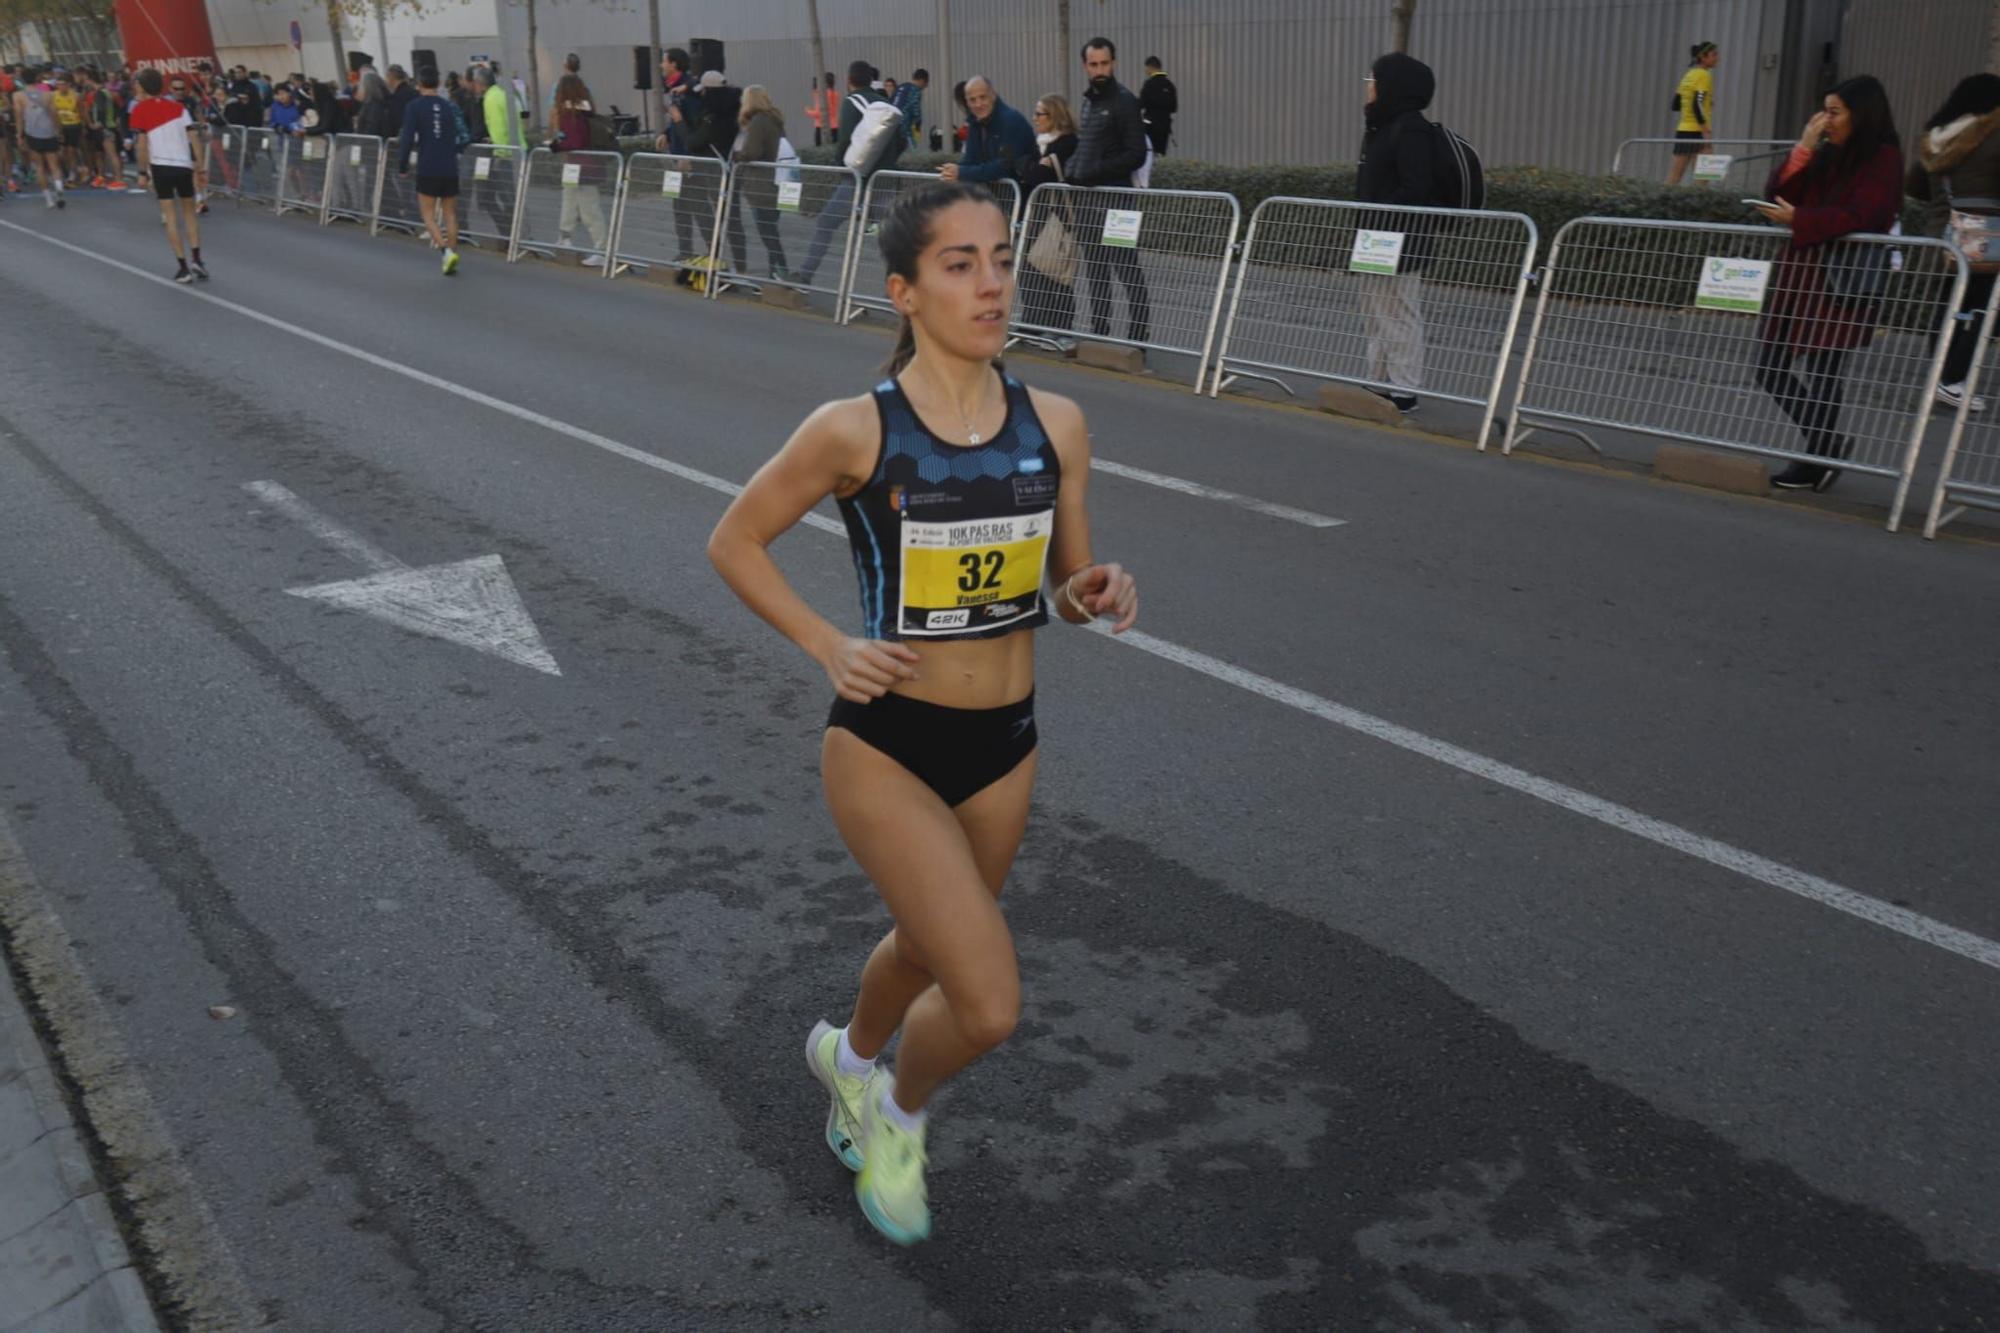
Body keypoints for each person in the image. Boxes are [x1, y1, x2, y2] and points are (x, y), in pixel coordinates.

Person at [707, 181, 1137, 1247]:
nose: (992, 282)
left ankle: (845, 1054)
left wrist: (1096, 594)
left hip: (1004, 746)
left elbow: (1066, 588)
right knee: (984, 1000)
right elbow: (733, 540)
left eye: (999, 258)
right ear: (902, 292)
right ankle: (894, 1111)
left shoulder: (1059, 424)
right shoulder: (853, 429)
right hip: (886, 745)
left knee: (923, 942)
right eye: (959, 264)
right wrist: (828, 644)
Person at [1750, 75, 1904, 492]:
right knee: (1768, 366)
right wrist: (1802, 148)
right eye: (1824, 111)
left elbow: (1864, 217)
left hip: (1841, 277)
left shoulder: (1882, 158)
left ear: (1862, 113)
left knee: (1824, 369)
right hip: (1801, 271)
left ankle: (1816, 456)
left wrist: (1800, 220)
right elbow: (1780, 192)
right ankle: (1827, 446)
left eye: (1834, 112)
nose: (1825, 120)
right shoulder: (1827, 152)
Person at [1907, 73, 2000, 413]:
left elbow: (1914, 185)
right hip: (1984, 237)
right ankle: (1953, 381)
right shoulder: (1993, 134)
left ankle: (1940, 377)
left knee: (1948, 307)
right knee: (1983, 308)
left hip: (1943, 235)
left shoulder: (1937, 138)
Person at [1357, 51, 1440, 415]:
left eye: (1372, 81)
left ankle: (1404, 389)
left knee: (1400, 312)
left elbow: (1416, 188)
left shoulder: (1411, 129)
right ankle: (1378, 381)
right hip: (1376, 238)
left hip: (1399, 238)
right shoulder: (1382, 126)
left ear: (1392, 86)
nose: (1369, 88)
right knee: (1375, 312)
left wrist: (1381, 212)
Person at [1068, 38, 1151, 347]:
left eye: (1104, 63)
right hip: (1089, 201)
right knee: (1095, 267)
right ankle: (1098, 333)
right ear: (1085, 66)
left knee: (1126, 266)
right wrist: (1075, 170)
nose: (1099, 69)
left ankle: (1139, 338)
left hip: (1119, 203)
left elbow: (1136, 154)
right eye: (1093, 64)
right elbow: (1085, 146)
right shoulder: (1089, 102)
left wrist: (1096, 170)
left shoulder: (1126, 101)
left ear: (1113, 63)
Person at [795, 60, 905, 287]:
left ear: (849, 80)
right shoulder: (884, 104)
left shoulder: (852, 102)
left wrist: (842, 166)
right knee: (890, 238)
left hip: (858, 181)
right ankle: (895, 290)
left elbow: (844, 140)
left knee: (825, 223)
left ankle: (805, 275)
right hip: (886, 179)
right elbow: (902, 141)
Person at [131, 68, 207, 282]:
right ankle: (197, 259)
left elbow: (142, 145)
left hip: (161, 167)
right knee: (190, 213)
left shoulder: (140, 110)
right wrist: (200, 168)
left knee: (170, 217)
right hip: (184, 166)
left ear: (144, 87)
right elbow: (194, 140)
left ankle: (183, 268)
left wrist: (142, 172)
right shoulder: (180, 108)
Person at [1016, 94, 1080, 345]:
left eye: (1039, 113)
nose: (1034, 118)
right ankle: (1035, 322)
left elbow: (1037, 175)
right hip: (1040, 213)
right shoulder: (1042, 144)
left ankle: (1061, 328)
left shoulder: (1066, 144)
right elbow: (1032, 171)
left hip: (1058, 216)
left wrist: (1030, 166)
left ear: (1054, 115)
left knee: (1057, 271)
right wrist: (1031, 166)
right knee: (1033, 268)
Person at [398, 67, 466, 275]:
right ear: (437, 83)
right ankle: (452, 254)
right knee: (450, 214)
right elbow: (459, 134)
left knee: (428, 215)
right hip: (449, 165)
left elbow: (407, 138)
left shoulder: (414, 107)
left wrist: (402, 165)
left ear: (419, 84)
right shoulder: (448, 106)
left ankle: (445, 252)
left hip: (428, 165)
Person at [729, 83, 791, 280]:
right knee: (770, 227)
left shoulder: (758, 122)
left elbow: (752, 152)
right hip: (776, 181)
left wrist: (737, 155)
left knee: (767, 231)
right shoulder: (775, 120)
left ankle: (780, 269)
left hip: (761, 183)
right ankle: (775, 271)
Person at [549, 71, 609, 266]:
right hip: (588, 165)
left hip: (578, 166)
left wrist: (556, 145)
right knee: (574, 201)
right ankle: (566, 237)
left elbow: (573, 142)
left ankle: (602, 249)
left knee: (586, 207)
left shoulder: (569, 113)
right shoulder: (585, 110)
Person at [939, 77, 1033, 185]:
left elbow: (1006, 165)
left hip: (1023, 195)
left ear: (993, 95)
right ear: (967, 102)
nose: (978, 104)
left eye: (983, 97)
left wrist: (962, 172)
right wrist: (953, 171)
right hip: (996, 195)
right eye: (972, 100)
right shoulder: (975, 123)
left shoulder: (1011, 121)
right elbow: (971, 160)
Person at [474, 65, 524, 243]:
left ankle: (512, 236)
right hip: (515, 149)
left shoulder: (490, 99)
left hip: (505, 154)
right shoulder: (501, 94)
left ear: (481, 84)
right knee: (507, 197)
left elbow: (498, 128)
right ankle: (512, 234)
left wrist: (500, 152)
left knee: (506, 197)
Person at [1666, 41, 1719, 185]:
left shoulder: (1688, 75)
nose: (1717, 58)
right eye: (1714, 55)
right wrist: (1706, 131)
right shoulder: (1704, 75)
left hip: (1683, 131)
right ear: (1703, 57)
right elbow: (1697, 104)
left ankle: (1663, 204)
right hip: (1698, 133)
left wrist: (1705, 103)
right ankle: (1696, 206)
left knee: (1675, 177)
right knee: (1706, 175)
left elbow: (1676, 104)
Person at [14, 69, 66, 208]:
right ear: (37, 78)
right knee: (54, 165)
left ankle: (48, 199)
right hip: (48, 132)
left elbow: (19, 117)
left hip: (32, 133)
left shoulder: (18, 96)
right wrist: (59, 130)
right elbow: (54, 113)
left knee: (39, 167)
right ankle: (59, 191)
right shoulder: (48, 94)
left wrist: (19, 135)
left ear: (23, 79)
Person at [1138, 56, 1176, 157]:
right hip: (1164, 127)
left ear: (1151, 67)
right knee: (1161, 155)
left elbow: (1141, 104)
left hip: (1150, 126)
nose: (1146, 71)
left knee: (1149, 154)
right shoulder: (1169, 85)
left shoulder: (1149, 84)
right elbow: (1174, 107)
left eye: (1146, 68)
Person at [897, 69, 929, 146]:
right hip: (904, 126)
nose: (926, 86)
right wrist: (918, 122)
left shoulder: (901, 87)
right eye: (926, 83)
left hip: (894, 125)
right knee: (912, 151)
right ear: (921, 81)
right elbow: (915, 109)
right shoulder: (915, 90)